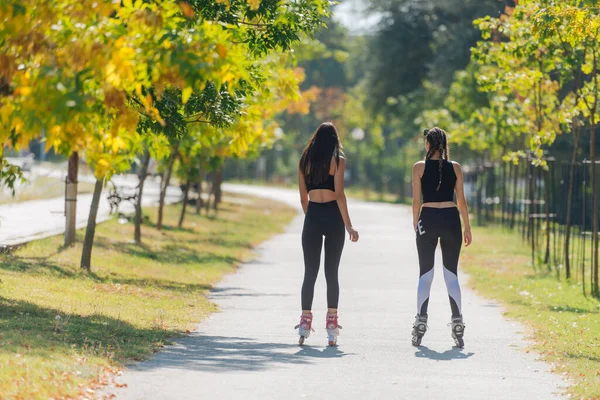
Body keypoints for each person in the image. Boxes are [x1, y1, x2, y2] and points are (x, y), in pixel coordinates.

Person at [295, 122, 359, 346]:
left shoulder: (305, 161)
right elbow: (339, 195)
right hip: (333, 217)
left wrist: (311, 216)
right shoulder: (338, 160)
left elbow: (303, 197)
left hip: (313, 215)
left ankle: (304, 323)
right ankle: (332, 326)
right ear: (334, 139)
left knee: (310, 273)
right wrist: (349, 226)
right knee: (331, 272)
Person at [411, 127, 472, 348]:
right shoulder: (455, 167)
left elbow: (416, 202)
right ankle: (457, 322)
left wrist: (415, 221)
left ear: (428, 144)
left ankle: (420, 321)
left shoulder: (418, 167)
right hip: (450, 219)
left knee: (425, 274)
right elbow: (462, 201)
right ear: (444, 145)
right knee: (451, 275)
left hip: (427, 218)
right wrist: (467, 227)